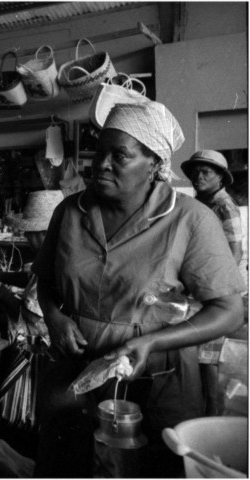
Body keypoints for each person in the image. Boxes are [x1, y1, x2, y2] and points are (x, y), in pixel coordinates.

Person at [32, 102, 245, 477]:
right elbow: (46, 279)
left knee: (145, 466)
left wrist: (151, 343)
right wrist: (55, 316)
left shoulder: (189, 220)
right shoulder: (69, 212)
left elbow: (228, 310)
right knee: (67, 463)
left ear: (154, 164)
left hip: (156, 379)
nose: (101, 164)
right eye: (99, 152)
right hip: (74, 374)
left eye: (120, 156)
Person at [181, 149, 248, 415]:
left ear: (220, 177)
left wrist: (213, 288)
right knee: (200, 351)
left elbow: (236, 252)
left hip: (217, 289)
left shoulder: (225, 205)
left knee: (207, 354)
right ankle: (204, 408)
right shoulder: (203, 204)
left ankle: (212, 414)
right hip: (202, 285)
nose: (199, 176)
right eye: (196, 171)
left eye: (206, 172)